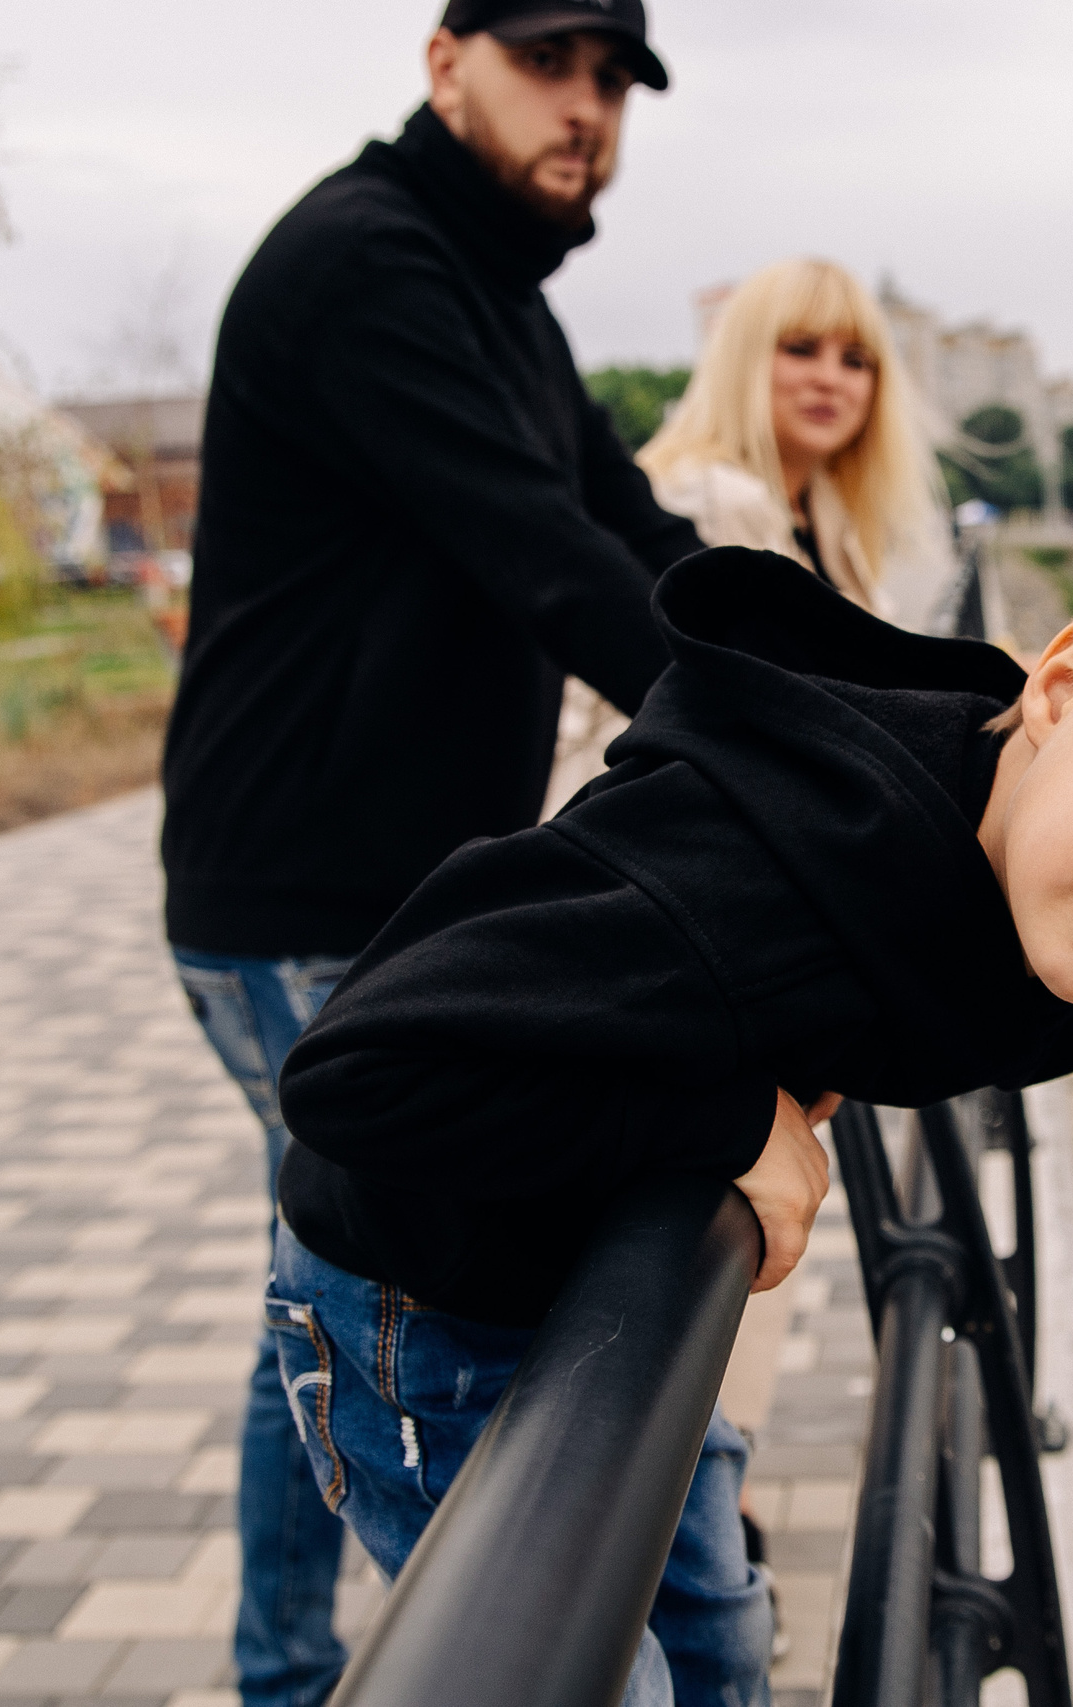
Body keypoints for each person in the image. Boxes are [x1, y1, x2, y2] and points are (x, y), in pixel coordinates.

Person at [269, 495, 1073, 1703]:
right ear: (1061, 690)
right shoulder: (744, 870)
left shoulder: (1046, 897)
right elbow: (355, 1070)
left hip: (586, 1272)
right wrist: (710, 1121)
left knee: (723, 1638)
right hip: (415, 1292)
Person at [156, 5, 701, 1704]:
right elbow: (548, 563)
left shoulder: (503, 304)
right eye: (554, 62)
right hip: (309, 901)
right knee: (385, 1307)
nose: (589, 109)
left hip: (390, 897)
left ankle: (279, 1672)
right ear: (445, 56)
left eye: (616, 82)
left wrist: (864, 697)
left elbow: (642, 539)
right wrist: (780, 752)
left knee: (313, 1302)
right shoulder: (366, 266)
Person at [542, 256, 951, 814]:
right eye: (800, 349)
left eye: (855, 361)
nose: (829, 379)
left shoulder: (825, 513)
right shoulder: (702, 499)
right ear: (743, 360)